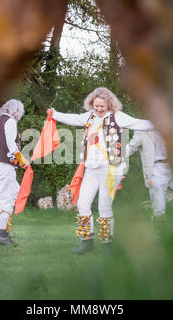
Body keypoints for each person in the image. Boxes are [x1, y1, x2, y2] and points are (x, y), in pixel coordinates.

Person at [48, 87, 155, 254]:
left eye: (102, 106)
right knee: (83, 204)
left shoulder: (118, 117)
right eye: (95, 105)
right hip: (91, 169)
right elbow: (74, 118)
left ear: (110, 105)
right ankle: (87, 241)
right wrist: (55, 114)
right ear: (91, 104)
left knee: (104, 206)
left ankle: (107, 244)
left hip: (111, 169)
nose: (98, 109)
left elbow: (138, 123)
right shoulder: (90, 116)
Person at [0, 99, 30, 246]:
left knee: (16, 192)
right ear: (16, 111)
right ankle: (3, 235)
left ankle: (0, 221)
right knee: (8, 199)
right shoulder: (10, 122)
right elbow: (11, 145)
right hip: (4, 165)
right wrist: (22, 161)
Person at [125, 129, 173, 231]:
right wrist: (112, 156)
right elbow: (131, 148)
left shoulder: (170, 122)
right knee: (158, 207)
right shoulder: (142, 129)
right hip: (156, 169)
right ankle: (159, 237)